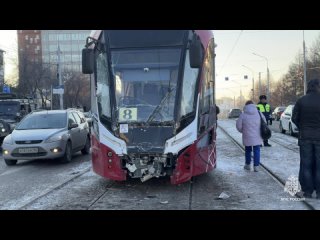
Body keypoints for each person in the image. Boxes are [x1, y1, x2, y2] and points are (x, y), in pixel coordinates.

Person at [292, 78, 320, 199]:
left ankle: (308, 191)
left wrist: (302, 127)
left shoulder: (301, 100)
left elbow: (294, 118)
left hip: (305, 137)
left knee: (306, 164)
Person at [236, 100, 266, 172]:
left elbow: (238, 126)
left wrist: (243, 131)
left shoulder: (243, 114)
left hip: (247, 136)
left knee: (248, 150)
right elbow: (264, 122)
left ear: (245, 106)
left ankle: (248, 165)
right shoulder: (259, 113)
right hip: (257, 135)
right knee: (257, 150)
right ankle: (256, 166)